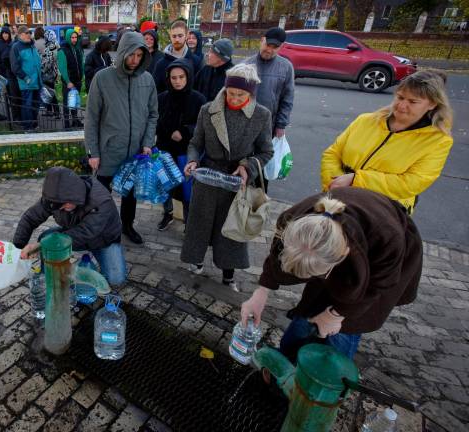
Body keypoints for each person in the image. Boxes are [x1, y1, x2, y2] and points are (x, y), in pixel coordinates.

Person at [240, 188, 423, 361]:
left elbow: (377, 287)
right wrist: (261, 293)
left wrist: (337, 315)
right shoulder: (292, 219)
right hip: (330, 247)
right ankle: (287, 358)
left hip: (385, 252)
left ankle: (328, 370)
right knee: (312, 306)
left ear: (343, 255)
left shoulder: (387, 237)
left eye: (318, 274)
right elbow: (276, 257)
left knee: (346, 325)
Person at [181, 63, 273, 290]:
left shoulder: (261, 115)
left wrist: (248, 166)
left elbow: (266, 151)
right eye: (230, 92)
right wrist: (193, 160)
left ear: (250, 93)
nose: (233, 98)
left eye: (240, 94)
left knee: (231, 230)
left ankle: (228, 275)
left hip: (236, 182)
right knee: (200, 225)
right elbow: (195, 143)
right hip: (207, 177)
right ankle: (197, 262)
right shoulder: (208, 110)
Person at [320, 70, 453, 215]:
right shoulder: (365, 120)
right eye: (400, 97)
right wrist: (335, 184)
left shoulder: (438, 141)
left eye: (413, 101)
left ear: (432, 104)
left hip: (384, 207)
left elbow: (412, 183)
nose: (402, 105)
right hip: (336, 195)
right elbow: (332, 153)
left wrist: (356, 180)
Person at [85, 31, 158, 245]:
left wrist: (147, 143)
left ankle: (127, 225)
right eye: (131, 55)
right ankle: (102, 228)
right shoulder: (102, 78)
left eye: (139, 55)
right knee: (101, 196)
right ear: (123, 52)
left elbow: (153, 113)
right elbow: (91, 118)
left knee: (130, 195)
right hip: (108, 151)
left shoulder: (147, 80)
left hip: (135, 152)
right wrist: (93, 152)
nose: (135, 60)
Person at [13, 167, 127, 286]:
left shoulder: (101, 201)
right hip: (73, 233)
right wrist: (17, 250)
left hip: (104, 240)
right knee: (46, 237)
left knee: (116, 279)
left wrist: (40, 246)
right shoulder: (54, 197)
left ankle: (110, 253)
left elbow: (84, 233)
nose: (62, 208)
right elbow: (30, 218)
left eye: (65, 205)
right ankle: (46, 273)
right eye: (59, 206)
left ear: (76, 195)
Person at [155, 58, 206, 230]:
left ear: (188, 77)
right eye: (173, 77)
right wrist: (169, 132)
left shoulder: (198, 99)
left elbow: (202, 126)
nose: (177, 81)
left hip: (186, 151)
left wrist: (185, 132)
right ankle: (167, 213)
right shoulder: (162, 98)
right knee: (165, 185)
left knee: (187, 188)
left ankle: (188, 220)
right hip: (165, 149)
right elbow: (155, 121)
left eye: (181, 77)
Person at [244, 27, 294, 138]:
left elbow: (287, 99)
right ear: (262, 40)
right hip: (245, 122)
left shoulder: (286, 67)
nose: (269, 50)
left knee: (265, 154)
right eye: (268, 45)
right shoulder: (246, 64)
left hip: (269, 125)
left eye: (275, 47)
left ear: (281, 47)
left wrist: (281, 125)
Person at [153, 20, 201, 93]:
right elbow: (155, 91)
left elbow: (199, 89)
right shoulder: (161, 64)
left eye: (180, 36)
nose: (177, 39)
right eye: (174, 36)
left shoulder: (196, 62)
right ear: (170, 36)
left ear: (187, 35)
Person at [11, 26, 42, 130]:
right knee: (27, 105)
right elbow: (15, 67)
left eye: (30, 32)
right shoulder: (16, 47)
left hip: (37, 81)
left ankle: (34, 123)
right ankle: (28, 127)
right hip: (27, 83)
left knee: (36, 104)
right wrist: (25, 78)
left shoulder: (32, 45)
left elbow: (36, 62)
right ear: (20, 35)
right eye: (26, 33)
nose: (29, 34)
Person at [57, 29, 85, 129]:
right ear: (68, 37)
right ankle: (66, 124)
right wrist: (68, 81)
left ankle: (75, 120)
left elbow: (81, 64)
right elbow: (62, 67)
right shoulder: (62, 50)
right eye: (72, 37)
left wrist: (82, 76)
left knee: (75, 102)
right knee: (66, 103)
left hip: (77, 80)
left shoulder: (77, 49)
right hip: (68, 82)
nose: (74, 39)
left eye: (75, 37)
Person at [40, 29, 61, 118]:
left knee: (50, 93)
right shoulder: (57, 45)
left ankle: (56, 113)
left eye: (45, 37)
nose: (44, 39)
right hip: (54, 73)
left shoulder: (51, 47)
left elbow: (49, 62)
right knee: (49, 92)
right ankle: (50, 111)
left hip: (49, 74)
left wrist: (42, 70)